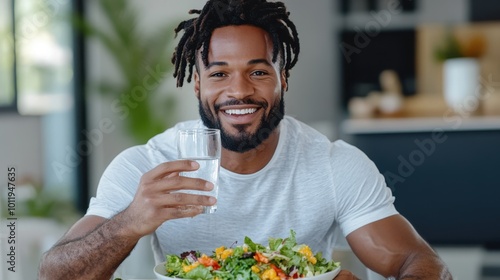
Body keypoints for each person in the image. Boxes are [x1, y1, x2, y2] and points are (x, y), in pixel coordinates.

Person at [39, 0, 452, 279]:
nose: (239, 91)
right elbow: (53, 274)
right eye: (219, 74)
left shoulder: (334, 164)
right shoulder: (148, 165)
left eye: (258, 71)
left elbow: (420, 261)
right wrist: (128, 223)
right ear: (196, 84)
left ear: (282, 79)